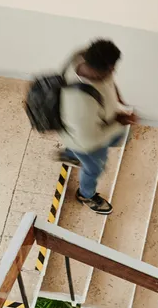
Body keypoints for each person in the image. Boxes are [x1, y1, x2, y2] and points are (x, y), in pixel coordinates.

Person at [54, 39, 137, 215]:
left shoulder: (81, 57)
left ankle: (69, 154)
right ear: (103, 68)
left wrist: (116, 97)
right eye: (111, 69)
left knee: (113, 140)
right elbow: (90, 140)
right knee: (94, 168)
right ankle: (86, 195)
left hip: (86, 127)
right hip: (85, 143)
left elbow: (108, 81)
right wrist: (120, 123)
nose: (114, 72)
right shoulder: (80, 105)